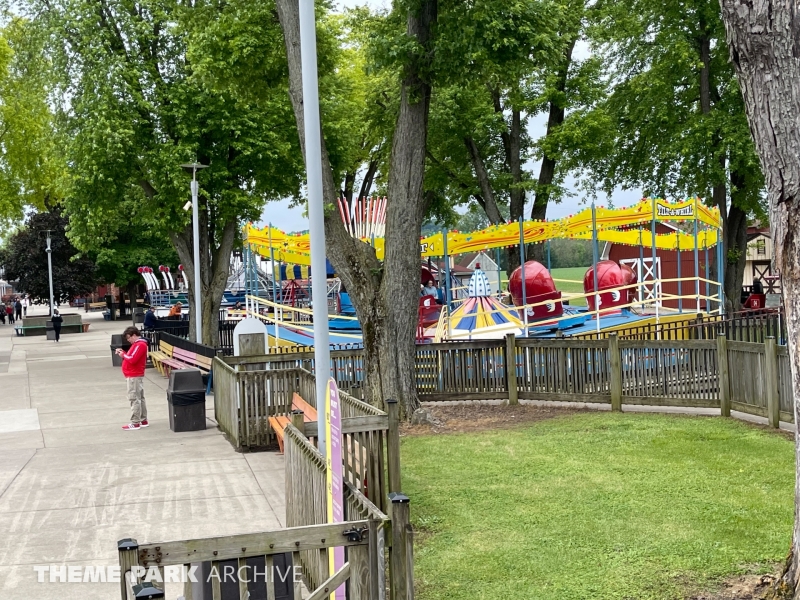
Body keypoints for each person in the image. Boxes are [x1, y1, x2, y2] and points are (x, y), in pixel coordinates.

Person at [115, 326, 149, 430]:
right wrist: (124, 353)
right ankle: (143, 420)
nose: (128, 340)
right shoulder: (138, 344)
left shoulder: (139, 345)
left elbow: (132, 359)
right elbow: (131, 357)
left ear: (134, 335)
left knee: (134, 398)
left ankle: (135, 422)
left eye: (129, 337)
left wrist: (123, 355)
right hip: (134, 374)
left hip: (134, 375)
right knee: (140, 398)